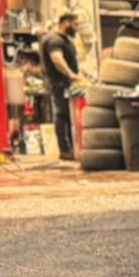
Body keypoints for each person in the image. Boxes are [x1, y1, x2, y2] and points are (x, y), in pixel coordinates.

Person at [40, 9, 84, 162]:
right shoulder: (55, 40)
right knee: (63, 115)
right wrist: (71, 75)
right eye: (75, 24)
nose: (77, 28)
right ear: (66, 23)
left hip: (66, 83)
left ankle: (72, 148)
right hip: (60, 84)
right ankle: (65, 150)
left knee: (68, 116)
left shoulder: (64, 40)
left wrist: (79, 73)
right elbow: (57, 59)